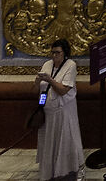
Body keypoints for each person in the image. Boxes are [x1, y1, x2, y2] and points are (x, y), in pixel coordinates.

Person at [35, 39, 82, 181]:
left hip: (63, 112)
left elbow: (62, 90)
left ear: (64, 53)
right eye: (53, 52)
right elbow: (38, 88)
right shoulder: (47, 65)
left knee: (65, 140)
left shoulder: (70, 66)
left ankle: (69, 171)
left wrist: (50, 80)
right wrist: (38, 81)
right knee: (49, 142)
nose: (54, 56)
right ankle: (49, 172)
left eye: (58, 53)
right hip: (47, 112)